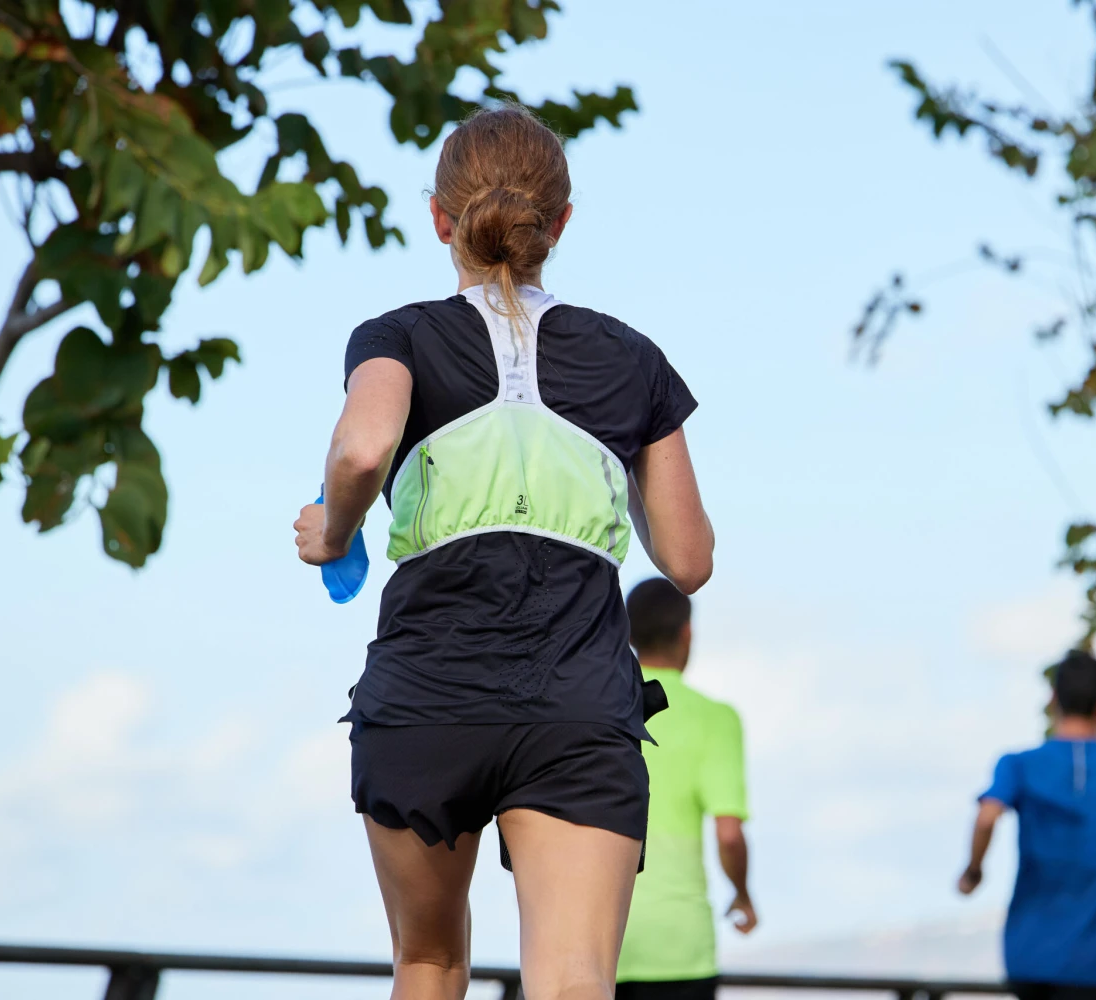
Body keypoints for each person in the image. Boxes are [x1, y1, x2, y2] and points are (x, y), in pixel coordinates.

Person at [292, 105, 715, 1000]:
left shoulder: (398, 336)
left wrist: (332, 532)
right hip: (578, 699)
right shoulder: (633, 358)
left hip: (426, 694)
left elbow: (363, 449)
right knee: (570, 980)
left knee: (430, 961)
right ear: (559, 224)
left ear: (440, 219)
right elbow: (686, 558)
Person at [958, 650, 1096, 1000]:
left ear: (1053, 699)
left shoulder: (1019, 765)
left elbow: (987, 816)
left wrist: (973, 871)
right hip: (1094, 966)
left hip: (1028, 957)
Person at [616, 577, 754, 1000]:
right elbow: (729, 835)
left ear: (629, 634)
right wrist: (743, 895)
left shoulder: (601, 713)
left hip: (599, 934)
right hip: (680, 947)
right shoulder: (715, 719)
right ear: (687, 632)